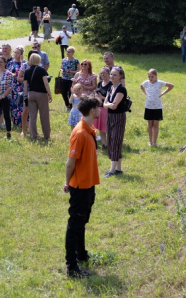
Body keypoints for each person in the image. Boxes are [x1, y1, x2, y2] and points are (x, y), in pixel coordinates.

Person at [64, 95, 101, 279]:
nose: (100, 110)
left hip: (89, 184)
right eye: (98, 108)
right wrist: (66, 182)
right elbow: (70, 163)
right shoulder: (80, 133)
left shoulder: (90, 130)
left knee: (82, 221)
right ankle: (71, 266)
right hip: (79, 186)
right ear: (92, 110)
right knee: (75, 224)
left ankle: (81, 254)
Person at [103, 66, 128, 177]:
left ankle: (112, 170)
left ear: (120, 76)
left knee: (115, 142)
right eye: (111, 74)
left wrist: (108, 104)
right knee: (111, 140)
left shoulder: (121, 89)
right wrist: (109, 104)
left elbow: (114, 106)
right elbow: (105, 104)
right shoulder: (110, 88)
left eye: (115, 75)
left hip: (119, 117)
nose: (112, 76)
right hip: (110, 117)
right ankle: (118, 169)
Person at [23, 53, 52, 140]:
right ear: (39, 60)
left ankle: (33, 135)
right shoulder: (42, 70)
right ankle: (46, 135)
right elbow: (46, 84)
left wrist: (25, 96)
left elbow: (25, 86)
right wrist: (49, 94)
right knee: (44, 115)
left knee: (32, 116)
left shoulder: (27, 71)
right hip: (41, 94)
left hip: (31, 94)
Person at [141, 69, 173, 147]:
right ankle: (150, 142)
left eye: (152, 76)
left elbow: (171, 85)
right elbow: (141, 86)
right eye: (149, 77)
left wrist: (162, 93)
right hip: (148, 107)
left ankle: (154, 142)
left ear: (156, 76)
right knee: (149, 125)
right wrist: (146, 93)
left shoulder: (160, 83)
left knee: (155, 125)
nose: (150, 78)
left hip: (157, 107)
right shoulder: (146, 83)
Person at [8, 46, 27, 133]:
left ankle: (23, 122)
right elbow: (7, 73)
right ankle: (15, 123)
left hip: (23, 86)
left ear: (21, 54)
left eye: (17, 53)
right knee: (14, 105)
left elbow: (25, 73)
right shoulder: (10, 63)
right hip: (13, 87)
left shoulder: (25, 63)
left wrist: (22, 62)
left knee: (22, 105)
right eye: (14, 52)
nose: (15, 54)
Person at [95, 67, 112, 149]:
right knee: (101, 127)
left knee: (107, 128)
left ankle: (111, 143)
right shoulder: (100, 83)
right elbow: (96, 92)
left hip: (107, 109)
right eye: (101, 73)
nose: (103, 75)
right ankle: (105, 144)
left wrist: (102, 97)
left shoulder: (111, 85)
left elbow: (112, 98)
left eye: (104, 73)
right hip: (99, 108)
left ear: (109, 74)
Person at [60, 47, 80, 112]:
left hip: (72, 79)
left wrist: (72, 72)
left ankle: (71, 107)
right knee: (63, 92)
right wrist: (61, 71)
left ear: (72, 53)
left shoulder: (75, 60)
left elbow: (79, 70)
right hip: (64, 78)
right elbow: (61, 68)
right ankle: (67, 105)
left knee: (70, 92)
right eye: (67, 51)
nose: (67, 53)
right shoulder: (64, 60)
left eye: (69, 52)